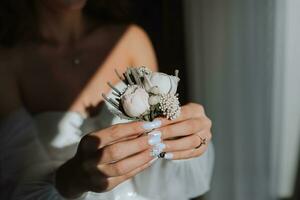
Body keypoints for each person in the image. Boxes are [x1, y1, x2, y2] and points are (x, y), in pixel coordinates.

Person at [0, 0, 214, 199]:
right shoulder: (9, 63)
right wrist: (71, 180)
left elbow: (155, 175)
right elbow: (15, 184)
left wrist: (182, 139)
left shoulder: (130, 40)